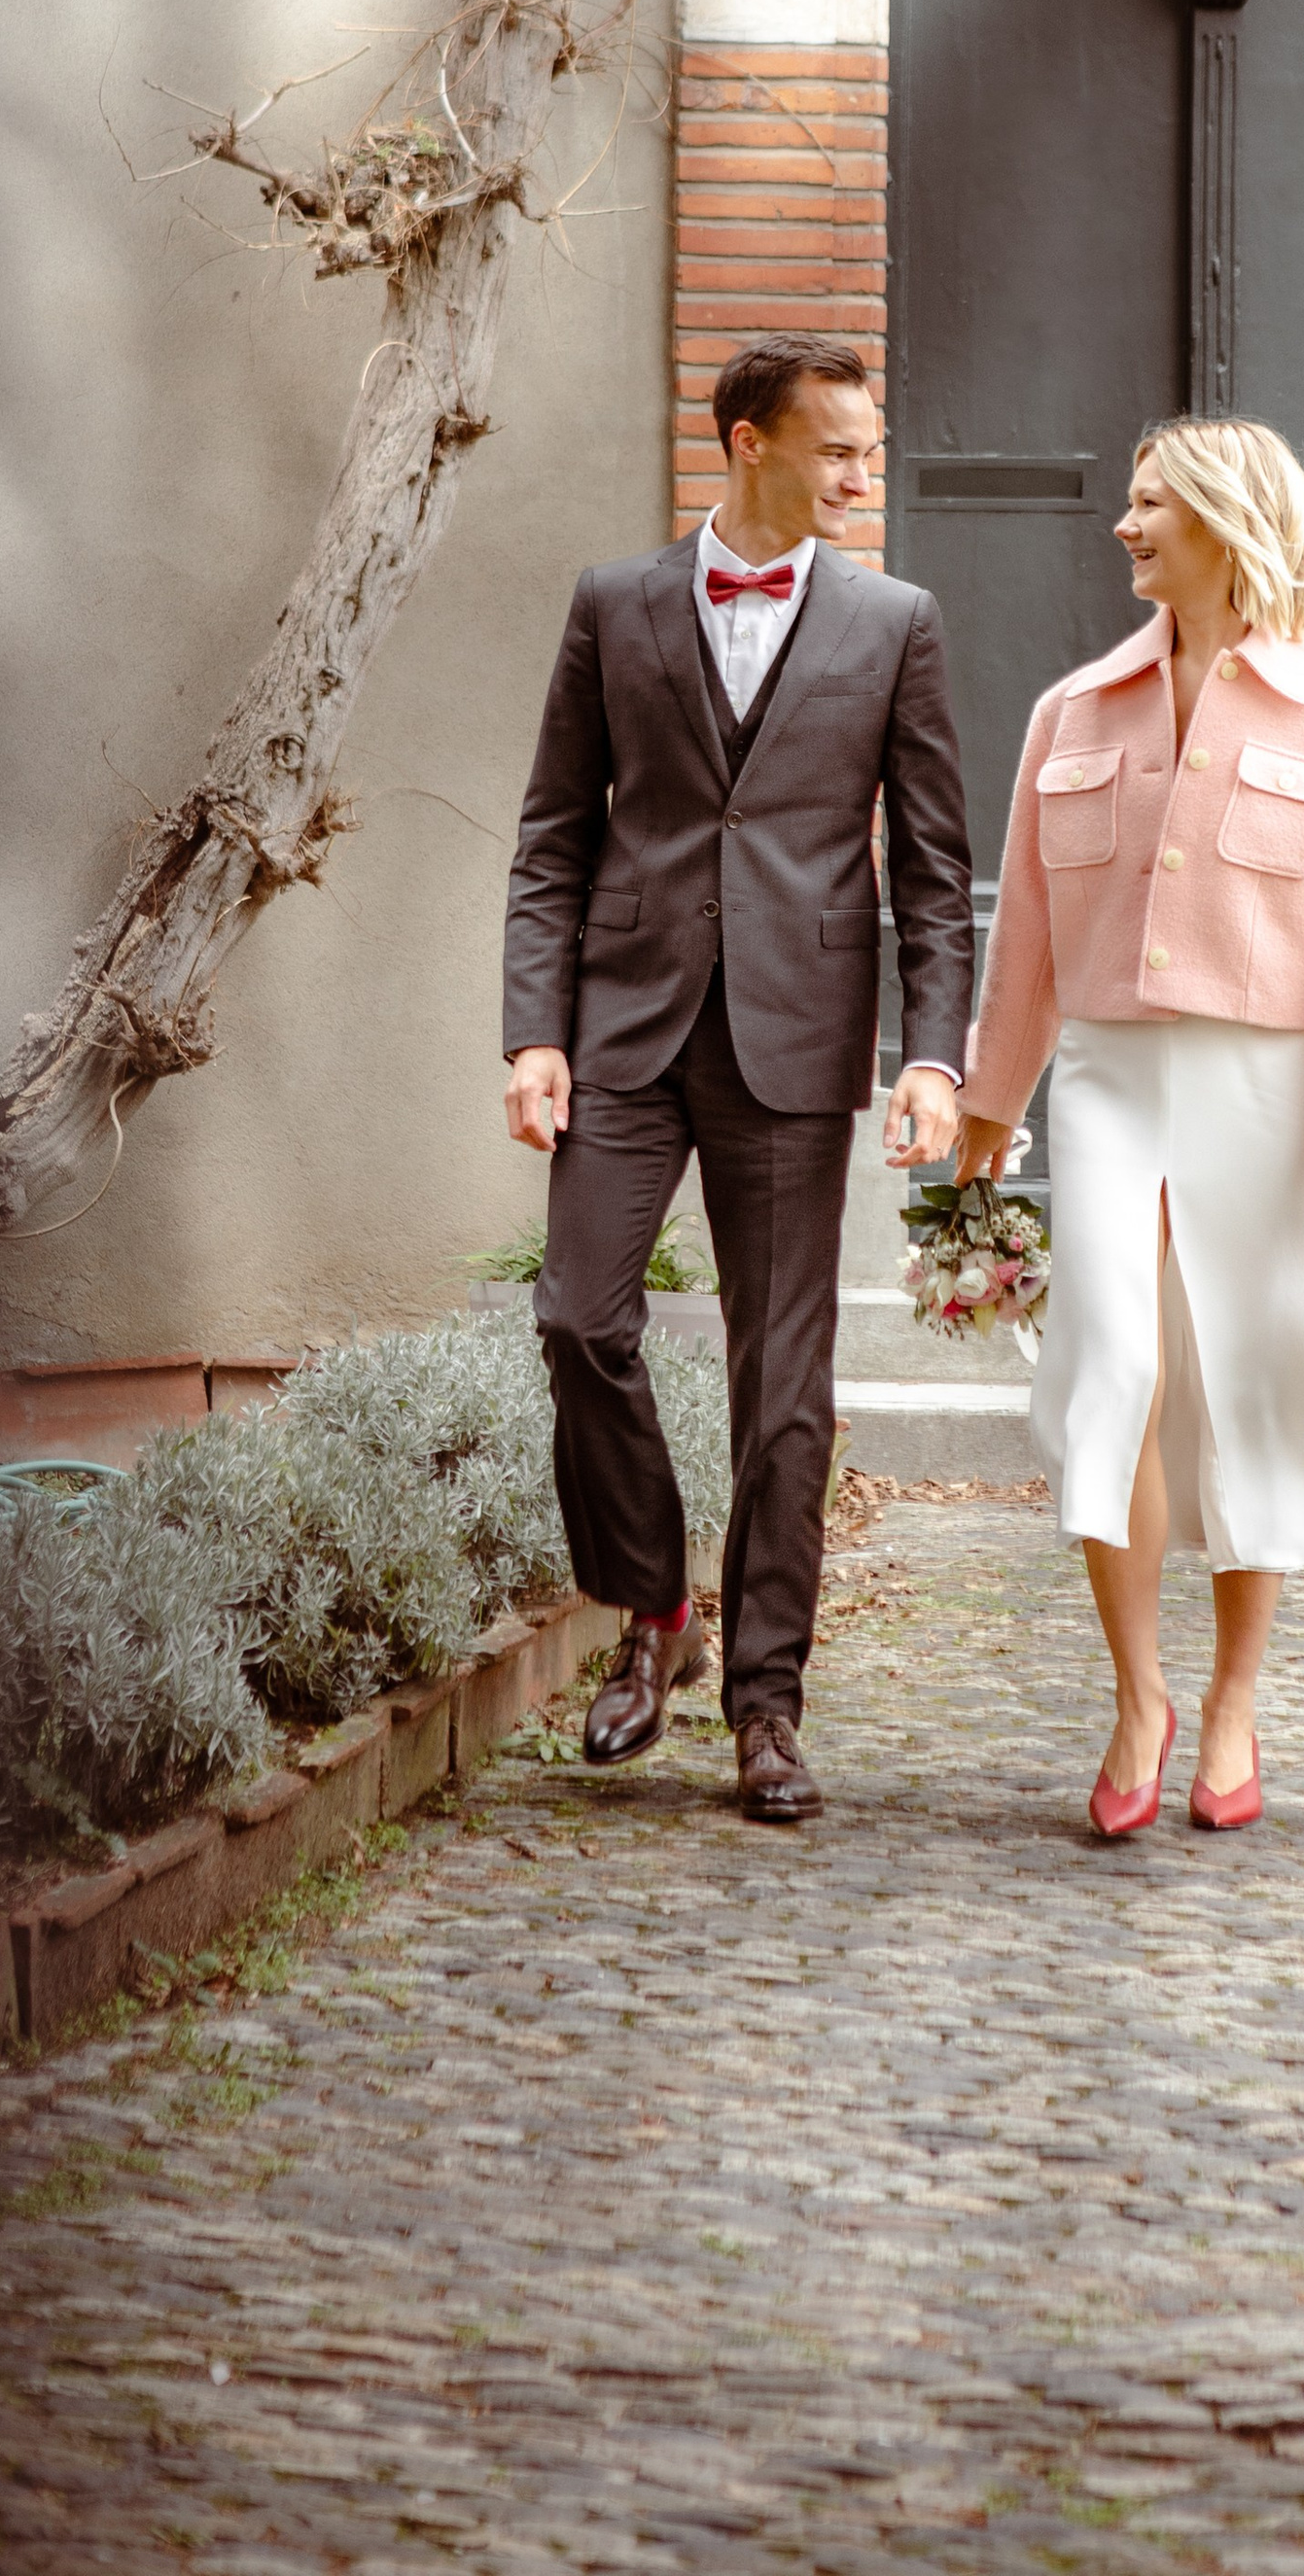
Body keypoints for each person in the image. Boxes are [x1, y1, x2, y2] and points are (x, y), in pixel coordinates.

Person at [502, 337, 971, 1824]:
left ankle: (768, 1704)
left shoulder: (896, 623)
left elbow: (937, 874)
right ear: (750, 441)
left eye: (868, 449)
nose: (860, 473)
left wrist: (934, 1054)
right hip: (628, 1033)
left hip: (793, 1038)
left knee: (787, 1393)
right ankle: (653, 1611)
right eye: (836, 449)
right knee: (580, 1315)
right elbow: (553, 840)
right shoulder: (616, 604)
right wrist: (535, 1031)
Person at [956, 415, 1304, 1839]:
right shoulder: (1071, 713)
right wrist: (993, 1099)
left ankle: (1232, 1705)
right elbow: (1026, 933)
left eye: (1150, 503)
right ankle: (1136, 1698)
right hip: (1107, 1081)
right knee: (1116, 1367)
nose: (1123, 525)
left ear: (1227, 518)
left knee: (1248, 1390)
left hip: (1271, 1090)